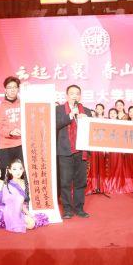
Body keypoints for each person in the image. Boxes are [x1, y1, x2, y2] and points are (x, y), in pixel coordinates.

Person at [56, 85, 92, 219]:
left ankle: (79, 208)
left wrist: (86, 120)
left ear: (80, 96)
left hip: (81, 150)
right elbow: (55, 125)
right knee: (65, 182)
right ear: (67, 96)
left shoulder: (86, 111)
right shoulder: (59, 109)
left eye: (77, 93)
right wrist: (70, 115)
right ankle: (67, 209)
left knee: (80, 182)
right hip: (65, 150)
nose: (74, 96)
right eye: (72, 93)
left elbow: (92, 131)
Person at [1, 159, 48, 233]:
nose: (18, 171)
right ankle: (15, 223)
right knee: (31, 224)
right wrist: (29, 214)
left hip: (26, 209)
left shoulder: (26, 182)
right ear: (10, 171)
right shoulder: (8, 185)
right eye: (14, 169)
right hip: (14, 211)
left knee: (41, 218)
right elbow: (15, 204)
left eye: (20, 168)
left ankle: (19, 222)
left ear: (23, 170)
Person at [0, 76, 23, 178]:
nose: (12, 90)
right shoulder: (0, 107)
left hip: (21, 144)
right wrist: (10, 132)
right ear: (5, 90)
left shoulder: (23, 104)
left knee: (23, 174)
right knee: (6, 175)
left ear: (18, 89)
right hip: (6, 146)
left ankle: (24, 189)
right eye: (9, 87)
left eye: (15, 87)